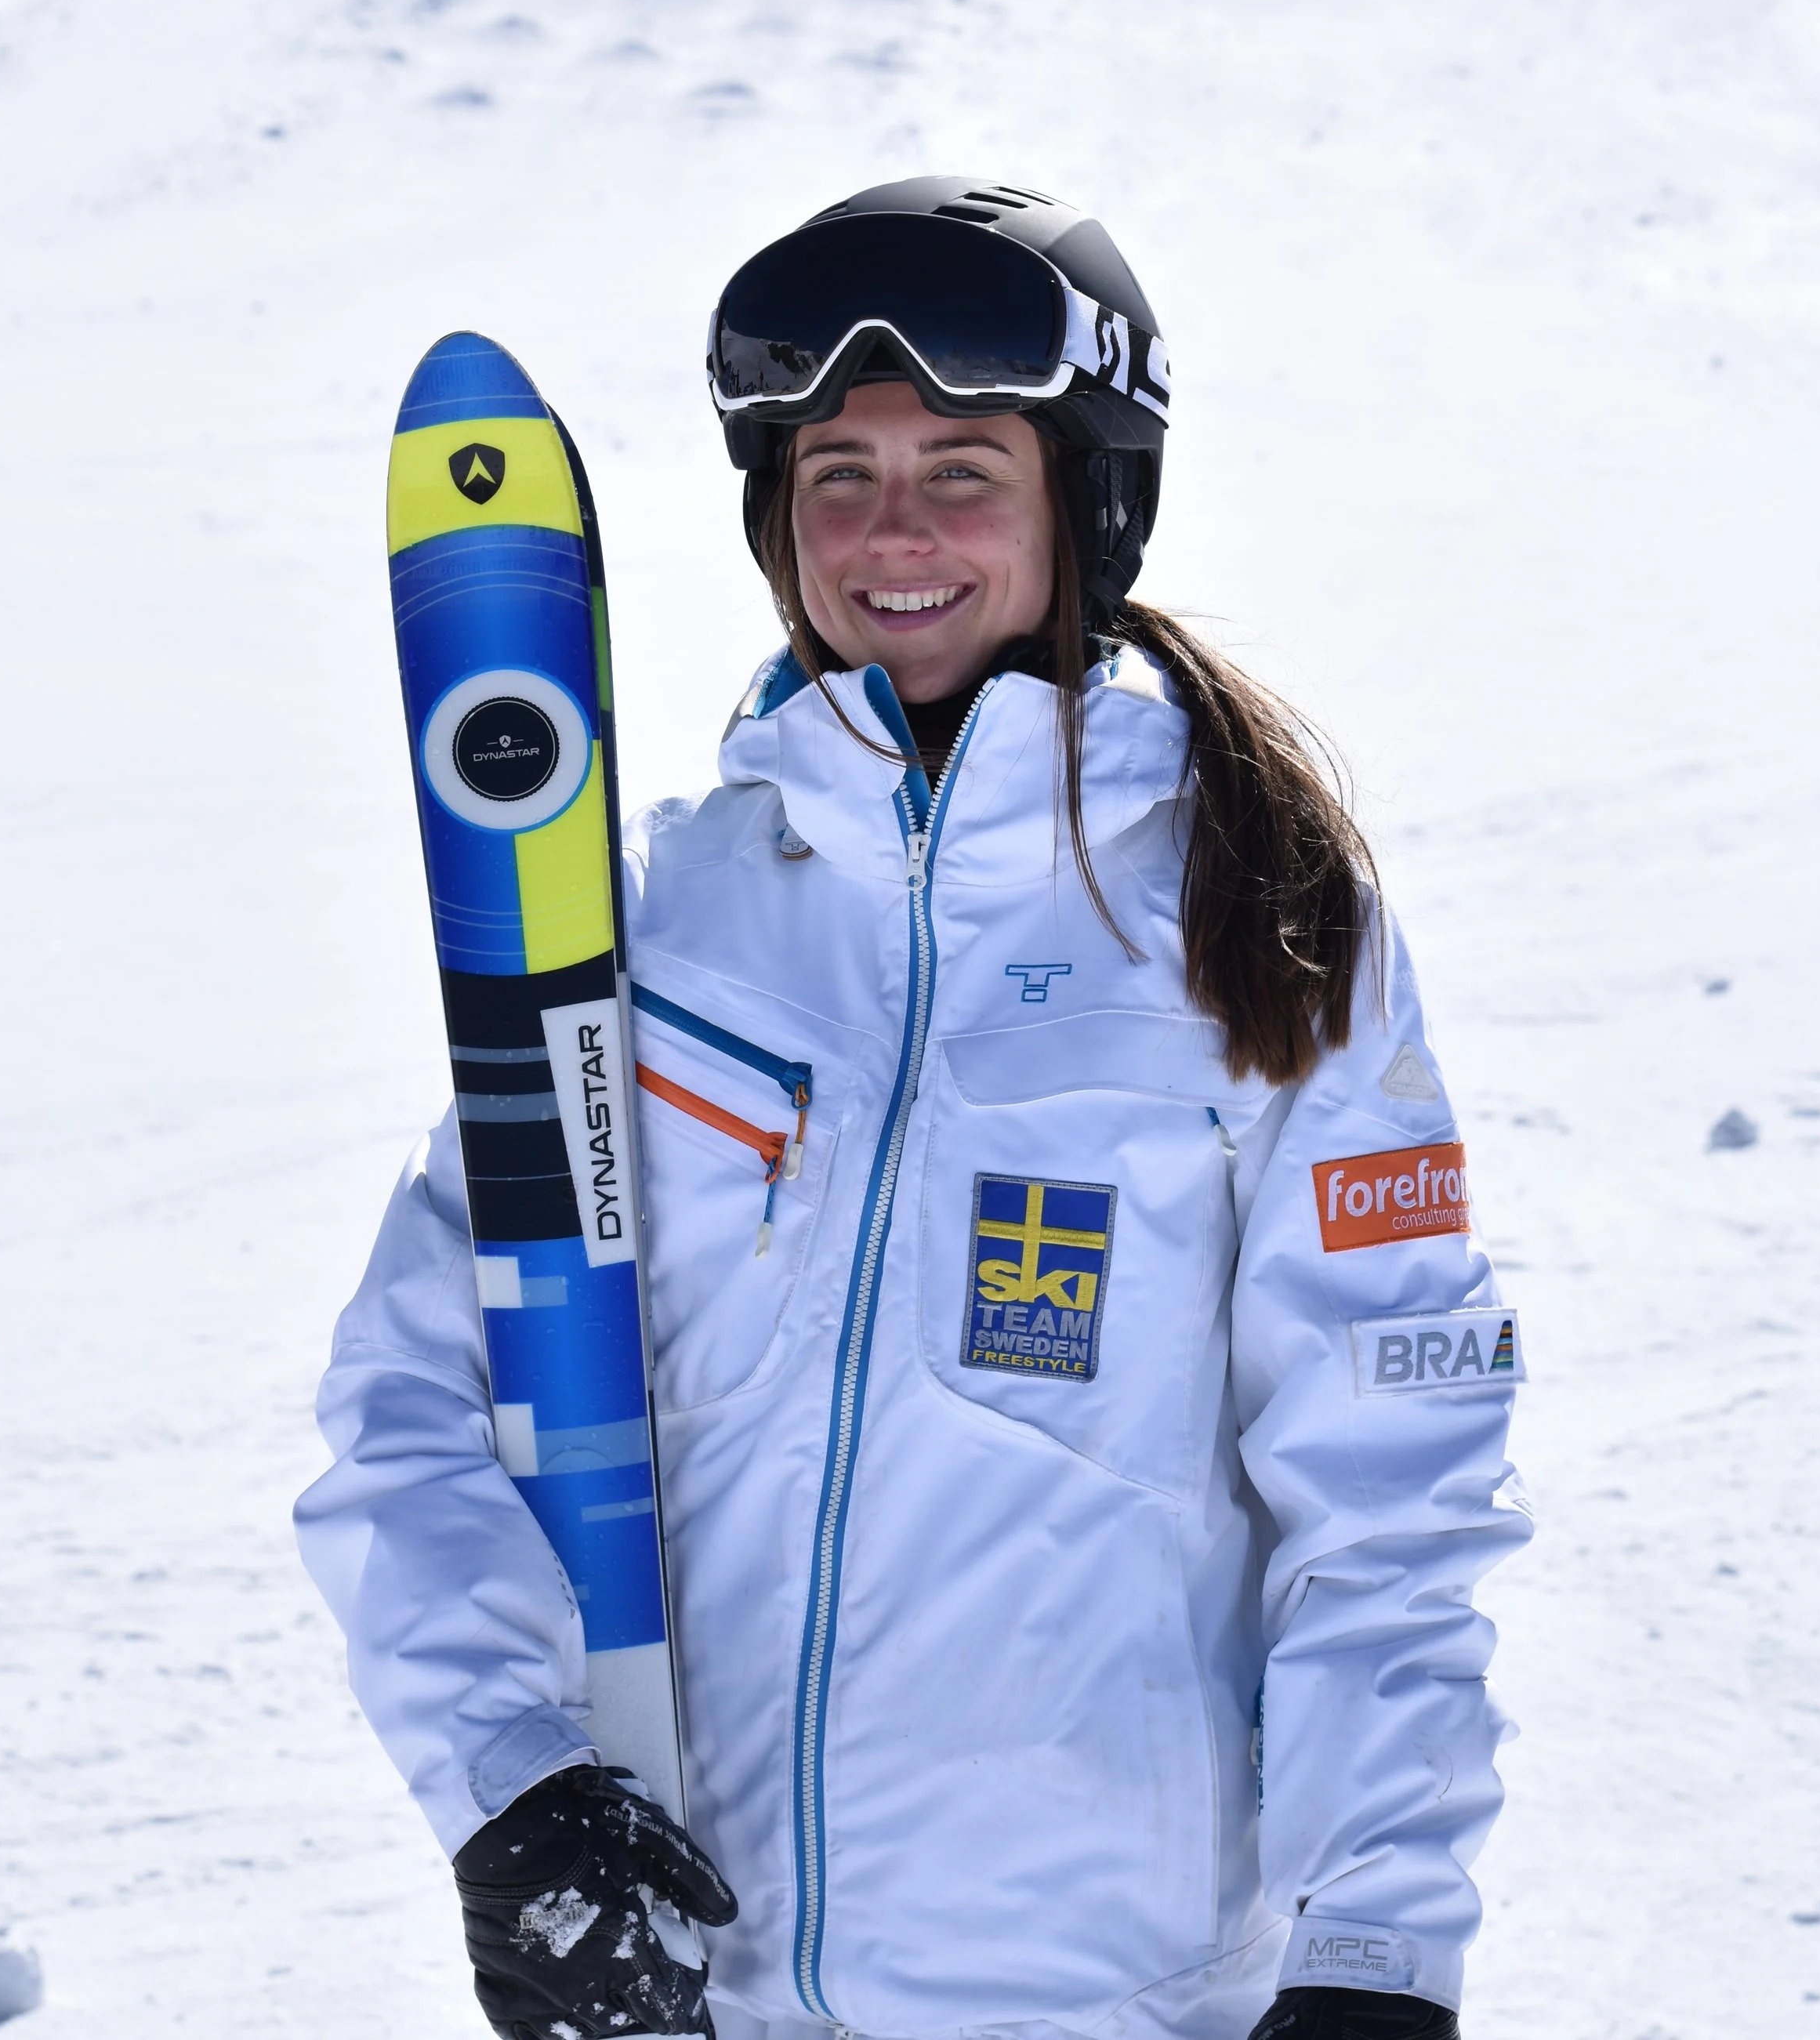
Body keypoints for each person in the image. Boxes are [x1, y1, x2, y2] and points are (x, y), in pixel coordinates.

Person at [295, 176, 1530, 2040]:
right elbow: (413, 1400)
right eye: (836, 476)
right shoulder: (652, 928)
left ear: (1085, 503)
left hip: (1112, 1995)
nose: (893, 534)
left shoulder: (1256, 923)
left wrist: (1375, 1951)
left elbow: (1387, 1490)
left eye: (963, 471)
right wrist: (516, 1789)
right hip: (690, 1988)